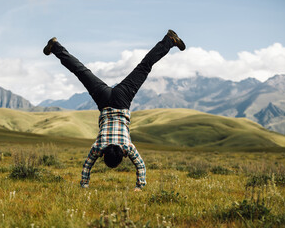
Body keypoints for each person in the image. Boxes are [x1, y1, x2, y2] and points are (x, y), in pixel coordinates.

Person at [43, 30, 185, 191]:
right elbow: (86, 166)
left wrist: (140, 186)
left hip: (123, 99)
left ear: (123, 155)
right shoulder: (98, 146)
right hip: (103, 99)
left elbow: (140, 166)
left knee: (144, 67)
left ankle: (169, 40)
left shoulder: (127, 147)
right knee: (81, 72)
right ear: (103, 154)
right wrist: (84, 184)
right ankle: (55, 46)